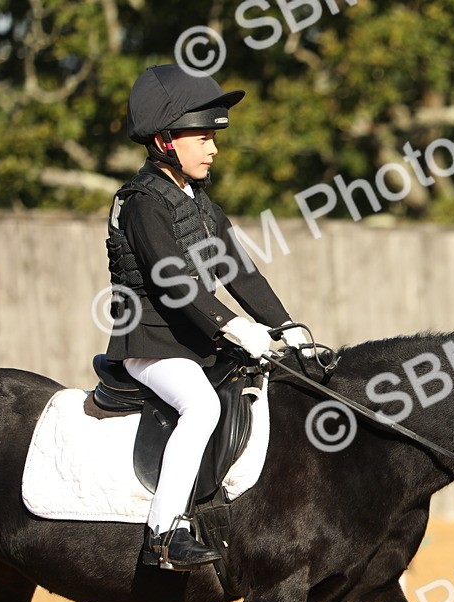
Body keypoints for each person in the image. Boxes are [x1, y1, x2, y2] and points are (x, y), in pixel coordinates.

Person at [104, 64, 310, 571]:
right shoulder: (142, 204)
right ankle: (164, 534)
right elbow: (174, 283)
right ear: (164, 141)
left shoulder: (200, 203)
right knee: (200, 407)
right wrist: (231, 326)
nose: (213, 148)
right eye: (202, 138)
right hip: (149, 343)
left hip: (195, 341)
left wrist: (285, 326)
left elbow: (240, 271)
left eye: (213, 138)